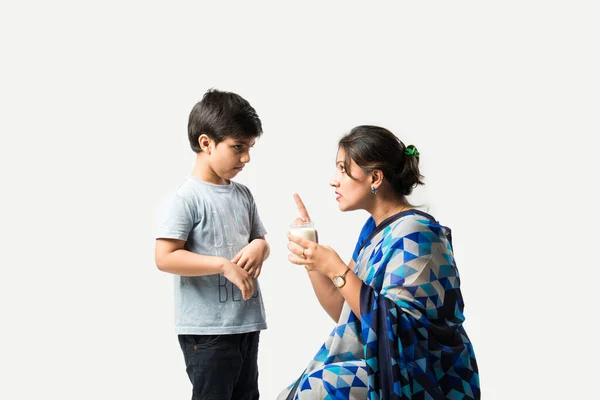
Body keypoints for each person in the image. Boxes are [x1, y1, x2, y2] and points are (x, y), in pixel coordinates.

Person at [278, 125, 480, 399]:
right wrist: (312, 259)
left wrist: (336, 267)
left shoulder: (417, 233)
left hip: (425, 375)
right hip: (380, 363)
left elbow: (406, 331)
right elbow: (343, 309)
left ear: (375, 178)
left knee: (319, 388)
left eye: (343, 169)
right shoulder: (373, 230)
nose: (333, 180)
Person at [155, 88, 269, 400]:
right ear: (206, 143)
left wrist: (261, 247)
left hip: (246, 324)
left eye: (250, 147)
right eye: (238, 147)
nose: (246, 157)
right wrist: (222, 265)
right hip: (207, 333)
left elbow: (259, 239)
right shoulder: (185, 199)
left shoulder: (243, 194)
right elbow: (165, 258)